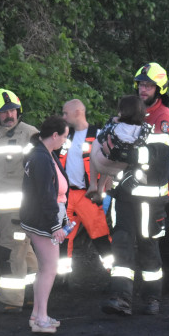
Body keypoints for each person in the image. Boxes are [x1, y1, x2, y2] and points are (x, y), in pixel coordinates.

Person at [101, 62, 169, 317]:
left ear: (160, 89)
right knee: (120, 243)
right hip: (124, 193)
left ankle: (152, 298)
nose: (143, 89)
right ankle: (120, 297)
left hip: (149, 198)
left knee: (148, 247)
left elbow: (157, 153)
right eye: (141, 84)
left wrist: (128, 152)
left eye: (149, 85)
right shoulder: (132, 112)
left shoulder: (163, 117)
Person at [0, 88, 40, 314]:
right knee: (25, 253)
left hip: (20, 208)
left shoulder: (29, 134)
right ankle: (32, 296)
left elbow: (43, 168)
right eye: (4, 112)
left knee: (11, 252)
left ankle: (10, 301)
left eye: (13, 110)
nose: (10, 115)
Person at [19, 115, 71, 334]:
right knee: (49, 269)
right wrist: (55, 226)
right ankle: (40, 319)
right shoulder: (41, 157)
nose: (65, 142)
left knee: (44, 269)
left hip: (42, 218)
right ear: (55, 135)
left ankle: (38, 315)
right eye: (64, 137)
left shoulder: (43, 154)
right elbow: (45, 195)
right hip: (43, 221)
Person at [58, 99, 114, 277]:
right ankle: (62, 277)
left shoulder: (98, 134)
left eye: (65, 113)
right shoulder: (66, 135)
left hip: (88, 195)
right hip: (67, 196)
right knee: (63, 238)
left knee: (100, 235)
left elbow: (109, 162)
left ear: (77, 113)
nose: (63, 117)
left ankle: (115, 274)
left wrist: (100, 188)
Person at [86, 94, 150, 203]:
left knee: (97, 143)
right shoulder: (144, 128)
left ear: (122, 111)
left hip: (103, 163)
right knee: (111, 152)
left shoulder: (115, 125)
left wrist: (112, 121)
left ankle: (93, 185)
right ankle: (101, 188)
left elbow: (102, 137)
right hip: (121, 165)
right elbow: (143, 142)